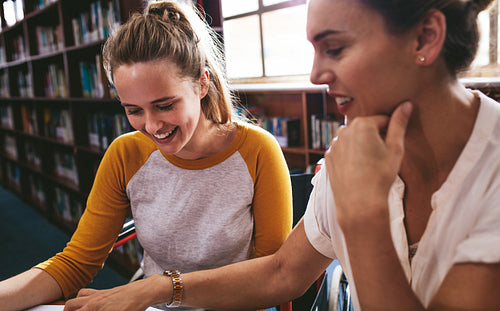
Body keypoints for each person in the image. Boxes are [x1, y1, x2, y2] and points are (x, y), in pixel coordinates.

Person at [37, 0, 500, 310]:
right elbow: (283, 272)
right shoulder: (352, 151)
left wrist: (364, 221)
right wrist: (158, 287)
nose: (317, 73)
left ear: (424, 38)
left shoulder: (491, 169)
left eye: (335, 48)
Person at [0, 1, 293, 310]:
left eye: (165, 105)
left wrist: (162, 288)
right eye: (134, 110)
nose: (152, 126)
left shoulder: (258, 150)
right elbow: (76, 262)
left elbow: (272, 278)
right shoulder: (125, 154)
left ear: (202, 83)